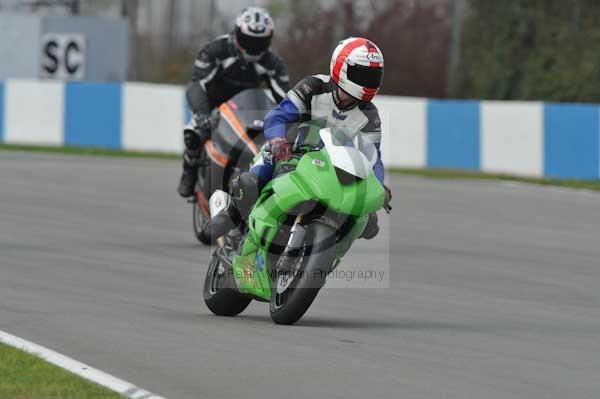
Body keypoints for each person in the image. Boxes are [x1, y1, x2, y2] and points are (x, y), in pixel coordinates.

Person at [211, 37, 392, 240]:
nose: (367, 82)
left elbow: (373, 157)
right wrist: (277, 140)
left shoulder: (370, 115)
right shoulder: (313, 86)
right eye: (362, 74)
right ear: (341, 67)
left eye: (373, 76)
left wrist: (378, 187)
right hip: (290, 154)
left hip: (333, 172)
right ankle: (231, 215)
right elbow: (277, 116)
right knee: (253, 181)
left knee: (368, 223)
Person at [177, 7, 290, 198]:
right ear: (237, 33)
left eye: (260, 42)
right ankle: (189, 169)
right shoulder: (215, 50)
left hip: (247, 109)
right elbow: (197, 84)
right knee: (194, 132)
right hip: (213, 107)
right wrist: (202, 112)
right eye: (248, 40)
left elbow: (285, 98)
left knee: (270, 141)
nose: (253, 47)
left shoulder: (274, 63)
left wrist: (291, 121)